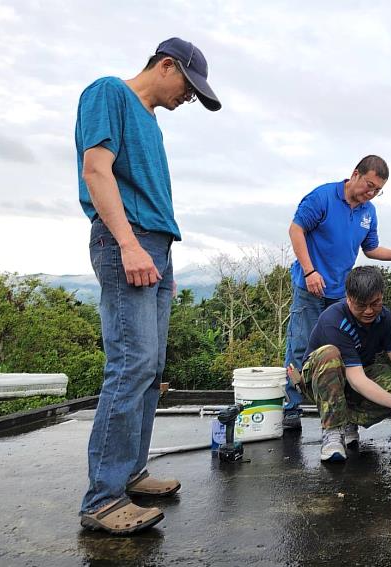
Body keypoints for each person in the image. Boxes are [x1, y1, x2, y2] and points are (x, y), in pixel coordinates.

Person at [76, 37, 221, 535]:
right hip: (127, 241)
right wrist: (128, 244)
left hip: (156, 248)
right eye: (189, 86)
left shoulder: (152, 123)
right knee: (130, 363)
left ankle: (131, 473)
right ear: (165, 65)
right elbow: (96, 170)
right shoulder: (108, 93)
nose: (189, 98)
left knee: (151, 366)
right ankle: (103, 499)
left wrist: (163, 261)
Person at [283, 156, 391, 429]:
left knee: (345, 351)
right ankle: (291, 407)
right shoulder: (323, 198)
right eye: (369, 185)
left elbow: (371, 249)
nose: (370, 193)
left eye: (377, 190)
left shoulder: (368, 212)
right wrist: (310, 271)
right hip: (310, 286)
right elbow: (296, 229)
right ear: (355, 174)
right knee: (301, 346)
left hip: (341, 292)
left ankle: (342, 410)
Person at [288, 266, 391, 462]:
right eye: (361, 305)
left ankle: (347, 419)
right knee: (329, 355)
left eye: (375, 303)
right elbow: (356, 380)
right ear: (348, 298)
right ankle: (332, 431)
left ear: (382, 295)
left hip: (358, 375)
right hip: (321, 379)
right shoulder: (334, 320)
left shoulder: (385, 318)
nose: (369, 311)